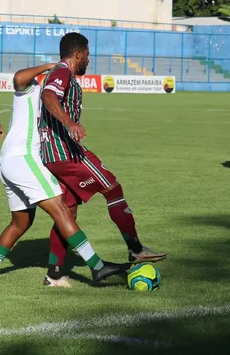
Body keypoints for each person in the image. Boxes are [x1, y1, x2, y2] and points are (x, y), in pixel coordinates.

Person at [0, 63, 131, 284]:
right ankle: (97, 266)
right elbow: (19, 77)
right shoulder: (33, 88)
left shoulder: (54, 95)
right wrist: (49, 66)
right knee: (62, 208)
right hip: (24, 157)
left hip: (7, 163)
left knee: (21, 223)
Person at [39, 33, 166, 287]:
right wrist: (70, 122)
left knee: (68, 212)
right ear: (77, 54)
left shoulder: (64, 74)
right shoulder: (62, 71)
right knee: (112, 188)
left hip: (54, 154)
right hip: (65, 152)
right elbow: (48, 97)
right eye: (86, 55)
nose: (88, 59)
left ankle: (53, 275)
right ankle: (136, 249)